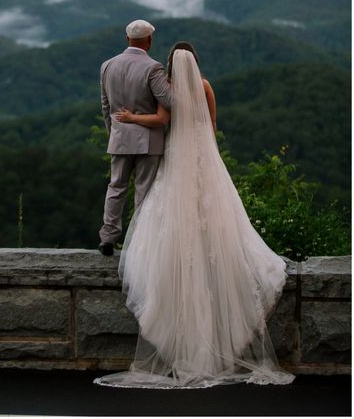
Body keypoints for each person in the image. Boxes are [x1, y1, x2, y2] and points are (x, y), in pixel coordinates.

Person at [95, 42, 295, 389]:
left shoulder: (168, 88)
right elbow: (213, 124)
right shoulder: (205, 86)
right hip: (205, 157)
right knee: (216, 212)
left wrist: (128, 118)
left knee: (164, 211)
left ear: (172, 64)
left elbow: (162, 120)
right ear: (197, 62)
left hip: (175, 157)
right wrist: (207, 154)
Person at [98, 19, 172, 256]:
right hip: (148, 140)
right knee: (144, 191)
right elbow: (169, 101)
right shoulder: (153, 68)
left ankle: (107, 237)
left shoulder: (107, 66)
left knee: (116, 187)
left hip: (119, 138)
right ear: (149, 40)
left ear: (127, 38)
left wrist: (114, 134)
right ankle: (138, 241)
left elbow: (105, 106)